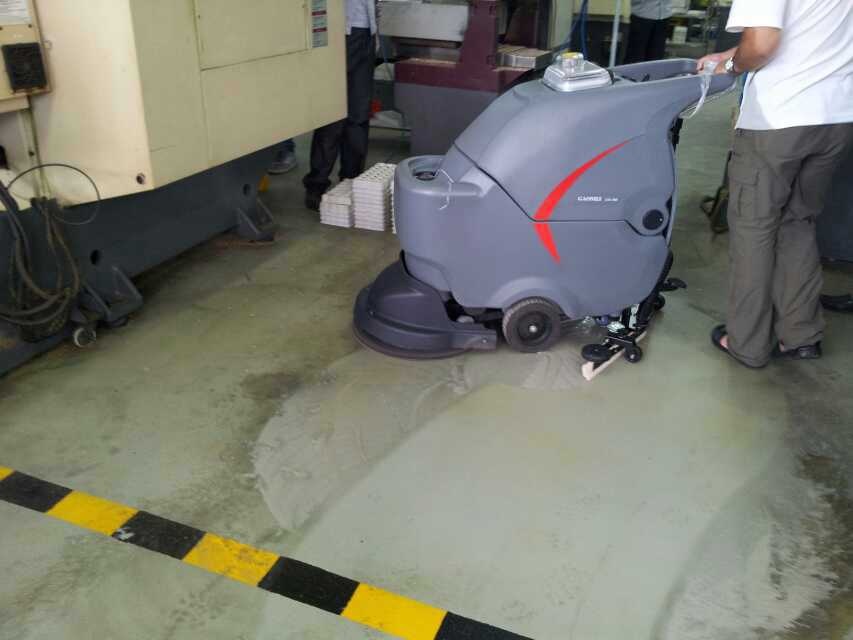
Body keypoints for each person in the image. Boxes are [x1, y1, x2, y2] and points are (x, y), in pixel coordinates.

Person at [698, 0, 853, 367]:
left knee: (754, 227)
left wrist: (733, 66)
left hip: (780, 117)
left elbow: (763, 44)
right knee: (797, 221)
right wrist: (728, 54)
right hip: (836, 115)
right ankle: (801, 335)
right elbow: (807, 31)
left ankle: (746, 342)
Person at [303, 0, 376, 211]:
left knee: (358, 116)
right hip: (339, 32)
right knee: (333, 116)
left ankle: (351, 181)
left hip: (366, 31)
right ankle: (317, 185)